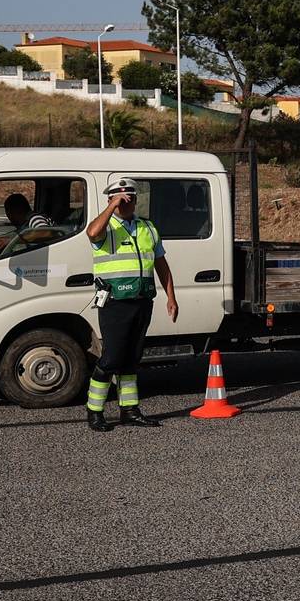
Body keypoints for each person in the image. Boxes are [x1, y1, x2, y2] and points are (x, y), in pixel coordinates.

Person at [84, 178, 177, 431]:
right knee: (112, 358)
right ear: (111, 200)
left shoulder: (147, 227)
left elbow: (161, 264)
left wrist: (171, 296)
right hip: (115, 303)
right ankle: (94, 411)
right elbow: (91, 233)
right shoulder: (105, 227)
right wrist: (112, 206)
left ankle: (130, 410)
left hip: (142, 300)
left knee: (131, 359)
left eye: (130, 198)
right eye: (120, 198)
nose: (126, 202)